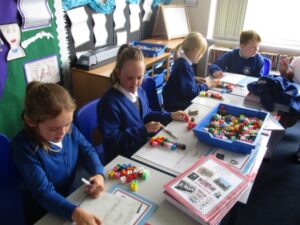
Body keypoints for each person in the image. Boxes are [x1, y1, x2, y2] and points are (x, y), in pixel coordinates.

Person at [11, 81, 105, 225]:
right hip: (42, 212)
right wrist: (75, 212)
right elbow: (43, 192)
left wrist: (98, 173)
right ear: (31, 122)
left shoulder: (68, 130)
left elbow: (87, 150)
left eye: (67, 124)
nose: (63, 132)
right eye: (54, 129)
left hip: (70, 199)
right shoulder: (23, 146)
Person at [97, 45, 188, 163]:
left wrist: (169, 116)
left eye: (139, 77)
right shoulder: (109, 103)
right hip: (123, 158)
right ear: (118, 73)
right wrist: (143, 130)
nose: (135, 83)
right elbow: (113, 141)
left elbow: (147, 114)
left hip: (142, 147)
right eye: (130, 78)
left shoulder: (139, 91)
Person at [163, 32, 220, 112]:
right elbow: (192, 92)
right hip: (177, 105)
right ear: (195, 51)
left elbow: (181, 80)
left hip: (177, 100)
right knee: (206, 108)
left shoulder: (182, 62)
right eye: (201, 53)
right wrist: (208, 85)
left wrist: (193, 78)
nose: (202, 56)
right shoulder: (183, 66)